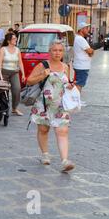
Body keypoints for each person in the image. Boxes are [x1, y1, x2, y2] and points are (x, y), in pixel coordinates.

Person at [27, 40, 76, 173]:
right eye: (54, 50)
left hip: (61, 105)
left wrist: (71, 85)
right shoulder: (43, 65)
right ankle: (45, 154)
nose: (57, 53)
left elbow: (70, 83)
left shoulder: (66, 67)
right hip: (43, 105)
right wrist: (43, 74)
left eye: (60, 50)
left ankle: (65, 161)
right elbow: (29, 80)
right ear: (49, 51)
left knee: (62, 131)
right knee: (44, 130)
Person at [0, 33, 25, 116]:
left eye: (15, 38)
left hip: (14, 72)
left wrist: (23, 74)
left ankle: (14, 108)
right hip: (4, 72)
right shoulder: (3, 49)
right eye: (14, 39)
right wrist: (0, 75)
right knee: (3, 91)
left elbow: (20, 63)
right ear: (9, 41)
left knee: (17, 89)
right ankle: (2, 108)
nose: (16, 40)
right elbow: (0, 63)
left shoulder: (17, 50)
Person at [73, 22, 94, 93]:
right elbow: (90, 51)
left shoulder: (78, 38)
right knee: (79, 84)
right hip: (82, 66)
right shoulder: (80, 39)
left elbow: (90, 52)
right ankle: (76, 101)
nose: (88, 30)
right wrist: (91, 52)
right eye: (86, 28)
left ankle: (77, 100)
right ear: (81, 29)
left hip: (80, 65)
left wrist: (91, 52)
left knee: (79, 84)